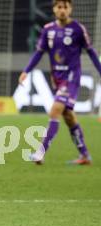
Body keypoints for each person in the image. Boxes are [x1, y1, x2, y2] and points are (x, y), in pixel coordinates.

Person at [19, 0, 101, 165]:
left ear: (70, 9)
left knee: (55, 111)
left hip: (72, 79)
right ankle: (85, 155)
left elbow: (91, 52)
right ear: (54, 9)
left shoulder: (78, 29)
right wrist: (26, 71)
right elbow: (39, 53)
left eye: (65, 7)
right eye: (59, 7)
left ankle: (40, 153)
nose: (62, 10)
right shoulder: (48, 30)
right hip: (57, 79)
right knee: (69, 117)